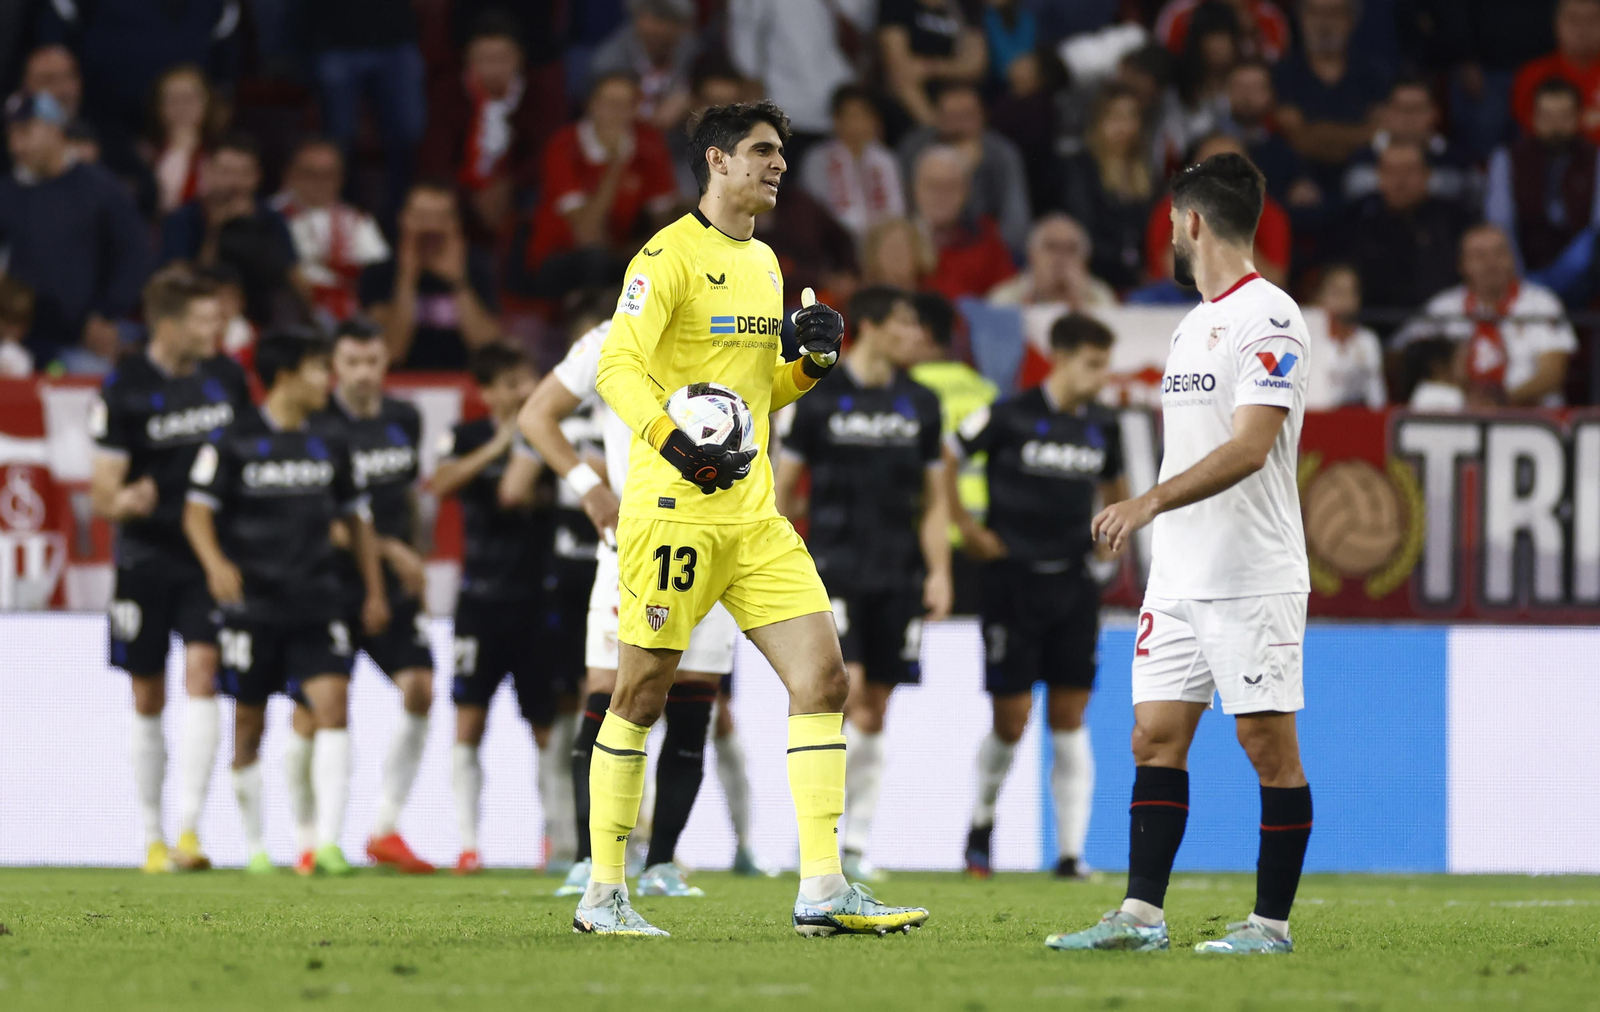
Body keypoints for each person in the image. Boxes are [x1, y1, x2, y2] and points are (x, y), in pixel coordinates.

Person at [582, 98, 929, 936]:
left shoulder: (768, 263)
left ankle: (821, 887)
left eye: (781, 152)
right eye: (763, 151)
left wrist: (806, 364)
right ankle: (604, 893)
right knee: (639, 694)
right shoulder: (663, 257)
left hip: (755, 515)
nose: (778, 165)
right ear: (717, 161)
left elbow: (756, 393)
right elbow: (616, 366)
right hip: (675, 513)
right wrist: (671, 446)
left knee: (824, 679)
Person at [1048, 153, 1313, 955]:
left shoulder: (1271, 317)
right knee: (1154, 736)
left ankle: (1269, 926)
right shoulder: (1192, 323)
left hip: (1251, 573)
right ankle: (1140, 916)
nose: (1168, 232)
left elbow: (1250, 447)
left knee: (1267, 748)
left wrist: (1148, 501)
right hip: (1179, 578)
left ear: (1191, 221)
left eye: (1171, 220)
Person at [518, 319, 757, 898]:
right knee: (608, 692)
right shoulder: (609, 338)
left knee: (693, 701)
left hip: (714, 538)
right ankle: (588, 859)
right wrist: (588, 485)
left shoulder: (738, 330)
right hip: (632, 542)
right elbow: (534, 415)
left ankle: (663, 865)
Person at [184, 327, 389, 876]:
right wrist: (216, 565)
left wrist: (372, 589)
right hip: (253, 605)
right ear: (284, 376)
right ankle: (255, 846)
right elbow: (196, 511)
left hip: (318, 600)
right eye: (319, 369)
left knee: (333, 707)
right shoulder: (233, 440)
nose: (329, 380)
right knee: (249, 724)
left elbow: (358, 520)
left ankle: (326, 842)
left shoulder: (333, 441)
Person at [775, 285, 951, 884]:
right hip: (834, 570)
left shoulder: (922, 403)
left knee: (875, 709)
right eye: (905, 322)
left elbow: (934, 502)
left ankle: (857, 846)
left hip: (898, 572)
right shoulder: (819, 396)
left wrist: (941, 571)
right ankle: (816, 842)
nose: (915, 335)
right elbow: (783, 489)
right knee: (835, 699)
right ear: (872, 326)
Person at [949, 312, 1126, 881]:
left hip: (1073, 584)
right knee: (1012, 718)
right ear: (1061, 356)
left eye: (1105, 365)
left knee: (1071, 717)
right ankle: (980, 825)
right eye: (1092, 365)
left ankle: (1071, 854)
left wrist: (1111, 539)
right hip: (1011, 581)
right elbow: (946, 459)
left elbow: (1117, 491)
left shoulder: (1104, 427)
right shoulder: (1008, 415)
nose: (1101, 377)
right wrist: (967, 529)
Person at [91, 265, 252, 874]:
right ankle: (151, 836)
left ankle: (189, 831)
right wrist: (122, 502)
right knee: (147, 690)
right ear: (170, 325)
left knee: (205, 672)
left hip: (209, 554)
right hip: (146, 556)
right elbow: (102, 489)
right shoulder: (123, 388)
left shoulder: (227, 377)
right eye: (208, 319)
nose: (221, 329)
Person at [308, 320, 435, 873]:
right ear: (336, 366)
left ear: (386, 363)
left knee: (420, 690)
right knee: (317, 711)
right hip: (330, 582)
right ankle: (311, 838)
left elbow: (408, 498)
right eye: (352, 362)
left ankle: (385, 828)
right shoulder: (318, 425)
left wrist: (417, 561)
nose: (363, 374)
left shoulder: (404, 419)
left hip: (394, 584)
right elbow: (321, 517)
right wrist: (392, 553)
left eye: (372, 361)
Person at [429, 344, 558, 874]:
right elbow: (437, 485)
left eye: (524, 379)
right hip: (479, 601)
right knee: (468, 721)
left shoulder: (552, 436)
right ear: (484, 393)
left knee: (547, 726)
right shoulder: (463, 438)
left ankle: (554, 839)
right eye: (506, 383)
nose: (518, 391)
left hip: (537, 601)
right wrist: (497, 447)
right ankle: (468, 843)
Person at [0, 91, 150, 370]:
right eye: (10, 135)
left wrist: (106, 314)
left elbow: (135, 255)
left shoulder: (101, 189)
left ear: (54, 128)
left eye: (24, 132)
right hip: (18, 341)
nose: (15, 146)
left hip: (85, 340)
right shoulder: (7, 194)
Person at [526, 74, 679, 300]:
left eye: (625, 104)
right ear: (591, 105)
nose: (616, 112)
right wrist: (615, 166)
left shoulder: (649, 144)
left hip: (620, 251)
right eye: (609, 103)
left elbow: (665, 225)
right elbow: (587, 235)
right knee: (594, 261)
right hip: (559, 254)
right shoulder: (564, 146)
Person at [1398, 224, 1578, 406]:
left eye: (1500, 253)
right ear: (1462, 265)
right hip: (1458, 417)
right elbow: (1403, 358)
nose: (1491, 263)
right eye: (1480, 255)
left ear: (1513, 259)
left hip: (1530, 417)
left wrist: (1499, 403)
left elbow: (1553, 372)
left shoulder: (1542, 303)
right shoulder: (1442, 308)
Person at [419, 14, 547, 240]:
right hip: (462, 192)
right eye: (484, 59)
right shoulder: (448, 93)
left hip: (517, 189)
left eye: (502, 58)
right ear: (468, 59)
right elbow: (436, 157)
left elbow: (545, 151)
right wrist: (470, 195)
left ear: (519, 57)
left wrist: (508, 185)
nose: (493, 68)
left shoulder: (537, 93)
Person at [159, 134, 299, 327]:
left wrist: (254, 229)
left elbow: (291, 279)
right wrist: (215, 230)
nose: (234, 183)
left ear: (257, 177)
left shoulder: (270, 219)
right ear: (208, 172)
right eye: (226, 172)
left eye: (243, 173)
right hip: (201, 315)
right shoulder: (184, 218)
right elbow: (178, 284)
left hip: (262, 316)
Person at [360, 182, 501, 371]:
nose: (431, 227)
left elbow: (489, 349)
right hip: (398, 386)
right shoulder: (379, 272)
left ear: (456, 223)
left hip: (464, 386)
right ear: (403, 219)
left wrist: (458, 281)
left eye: (441, 217)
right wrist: (406, 278)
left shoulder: (477, 267)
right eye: (422, 217)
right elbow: (391, 350)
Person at [1336, 141, 1473, 323]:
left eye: (1409, 170)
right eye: (1391, 171)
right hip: (1372, 326)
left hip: (1442, 324)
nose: (1400, 180)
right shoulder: (1355, 219)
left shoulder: (1455, 220)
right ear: (1379, 176)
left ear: (1427, 175)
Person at [898, 82, 1033, 253]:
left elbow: (1016, 226)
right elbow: (900, 210)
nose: (959, 126)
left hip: (984, 248)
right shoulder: (915, 148)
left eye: (967, 116)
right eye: (951, 117)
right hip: (918, 247)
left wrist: (970, 173)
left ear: (983, 117)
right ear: (937, 118)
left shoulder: (1002, 154)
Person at [726, 0, 870, 160]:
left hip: (836, 99)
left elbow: (861, 18)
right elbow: (744, 31)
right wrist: (752, 82)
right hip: (783, 104)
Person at [1272, 0, 1391, 191]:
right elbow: (1298, 139)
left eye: (1334, 13)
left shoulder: (1374, 75)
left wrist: (1318, 132)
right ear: (1301, 18)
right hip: (1299, 179)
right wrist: (1356, 136)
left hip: (1363, 177)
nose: (1324, 23)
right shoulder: (1283, 74)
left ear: (1351, 20)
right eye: (1315, 13)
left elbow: (1377, 134)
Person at [1145, 133, 1291, 287]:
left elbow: (1275, 282)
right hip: (1181, 304)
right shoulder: (1170, 210)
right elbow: (1163, 276)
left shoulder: (1269, 213)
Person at [1486, 77, 1600, 273]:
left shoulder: (1595, 158)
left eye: (1564, 116)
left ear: (1579, 116)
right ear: (1533, 117)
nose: (1555, 126)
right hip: (1524, 272)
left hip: (1585, 276)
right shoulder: (1507, 159)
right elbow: (1500, 223)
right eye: (1547, 116)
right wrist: (1518, 279)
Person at [272, 139, 390, 326]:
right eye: (310, 174)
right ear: (290, 174)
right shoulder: (270, 216)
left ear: (341, 178)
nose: (319, 182)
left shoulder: (359, 221)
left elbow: (377, 278)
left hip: (346, 318)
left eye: (328, 175)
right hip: (285, 315)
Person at [1062, 85, 1156, 291]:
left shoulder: (1146, 173)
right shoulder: (1081, 167)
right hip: (1093, 277)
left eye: (1131, 117)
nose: (1123, 126)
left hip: (1139, 281)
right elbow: (1083, 230)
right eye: (1115, 118)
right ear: (1098, 123)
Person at [1342, 78, 1475, 206]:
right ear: (1386, 112)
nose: (1408, 118)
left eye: (1416, 109)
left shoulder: (1459, 160)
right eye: (1400, 108)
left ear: (1434, 113)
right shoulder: (1360, 158)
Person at [800, 85, 907, 244]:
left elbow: (897, 210)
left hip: (884, 243)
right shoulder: (818, 159)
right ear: (837, 120)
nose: (859, 124)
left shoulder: (886, 159)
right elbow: (814, 213)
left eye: (865, 116)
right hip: (836, 244)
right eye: (852, 116)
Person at [913, 145, 1017, 301]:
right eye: (933, 185)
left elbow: (1007, 293)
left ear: (966, 192)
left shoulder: (986, 236)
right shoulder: (899, 238)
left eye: (951, 187)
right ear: (916, 189)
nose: (941, 195)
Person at [588, 0, 698, 134]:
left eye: (673, 22)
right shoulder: (609, 63)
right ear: (638, 18)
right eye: (658, 18)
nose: (664, 29)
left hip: (680, 142)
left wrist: (687, 100)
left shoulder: (692, 52)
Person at [878, 0, 988, 126]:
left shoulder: (966, 5)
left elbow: (975, 65)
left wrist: (930, 67)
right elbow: (897, 66)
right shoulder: (896, 4)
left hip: (956, 91)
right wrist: (935, 126)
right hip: (909, 99)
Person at [1513, 0, 1600, 143]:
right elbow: (1533, 133)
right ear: (1557, 23)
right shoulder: (1532, 75)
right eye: (1574, 19)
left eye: (1593, 19)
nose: (1583, 28)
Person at [987, 213, 1117, 310]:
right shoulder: (1005, 297)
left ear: (1085, 260)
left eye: (1071, 249)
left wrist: (1082, 305)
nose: (1060, 258)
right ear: (1032, 255)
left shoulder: (1100, 296)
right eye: (1051, 247)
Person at [1305, 264, 1385, 409]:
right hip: (1314, 418)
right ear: (1320, 295)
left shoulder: (1367, 340)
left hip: (1353, 420)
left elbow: (1376, 396)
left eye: (1350, 292)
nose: (1343, 299)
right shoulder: (1307, 327)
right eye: (1337, 292)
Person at [140, 66, 216, 218]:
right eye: (172, 100)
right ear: (158, 107)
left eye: (189, 99)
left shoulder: (221, 152)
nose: (181, 107)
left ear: (207, 103)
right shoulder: (143, 155)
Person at [1156, 0, 1291, 62]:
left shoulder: (1267, 14)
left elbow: (1277, 61)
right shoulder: (1181, 12)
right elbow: (1165, 59)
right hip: (1190, 90)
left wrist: (1251, 34)